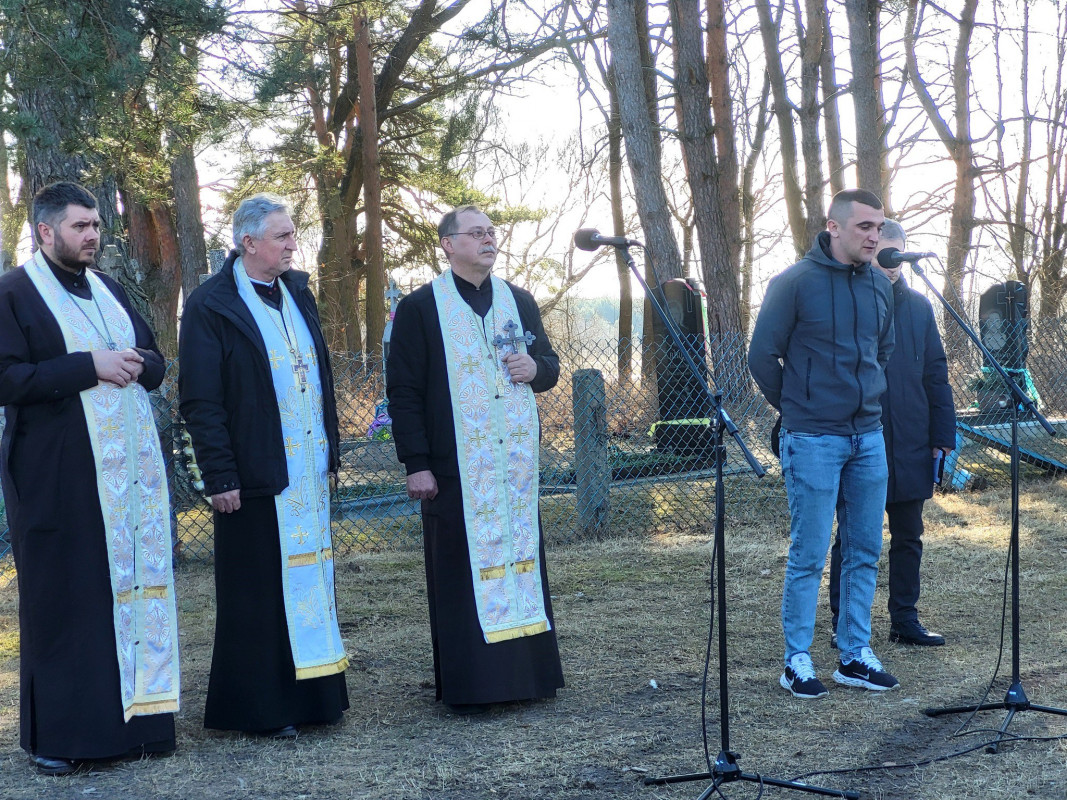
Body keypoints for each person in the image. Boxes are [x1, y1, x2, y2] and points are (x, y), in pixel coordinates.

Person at [0, 181, 179, 774]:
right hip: (57, 477)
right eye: (79, 226)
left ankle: (140, 722)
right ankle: (62, 738)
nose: (93, 236)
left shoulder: (108, 288)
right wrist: (88, 367)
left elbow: (152, 355)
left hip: (129, 478)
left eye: (96, 225)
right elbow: (7, 378)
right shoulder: (13, 292)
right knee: (68, 601)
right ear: (45, 231)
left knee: (127, 592)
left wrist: (139, 364)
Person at [179, 193, 348, 737]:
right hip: (253, 474)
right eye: (282, 236)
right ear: (248, 243)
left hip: (306, 467)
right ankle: (259, 710)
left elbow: (317, 373)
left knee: (309, 580)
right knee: (256, 591)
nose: (293, 245)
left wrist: (331, 450)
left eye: (293, 234)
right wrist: (220, 475)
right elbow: (201, 399)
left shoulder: (298, 291)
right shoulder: (211, 304)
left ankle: (316, 699)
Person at [386, 205, 564, 714]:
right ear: (448, 244)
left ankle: (528, 676)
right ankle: (474, 685)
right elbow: (403, 391)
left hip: (512, 467)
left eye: (492, 233)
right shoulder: (422, 308)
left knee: (520, 559)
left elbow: (547, 366)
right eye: (476, 233)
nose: (488, 240)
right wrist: (415, 461)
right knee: (461, 566)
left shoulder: (520, 301)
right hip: (452, 463)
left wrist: (537, 367)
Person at [749, 188, 898, 699]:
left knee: (864, 549)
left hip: (869, 437)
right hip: (812, 437)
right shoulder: (793, 283)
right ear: (833, 226)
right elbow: (762, 358)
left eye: (879, 226)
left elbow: (884, 351)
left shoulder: (881, 285)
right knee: (809, 552)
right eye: (864, 227)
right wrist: (798, 407)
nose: (874, 235)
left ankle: (854, 655)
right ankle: (797, 660)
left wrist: (866, 404)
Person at [828, 220, 956, 647]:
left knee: (909, 537)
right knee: (852, 539)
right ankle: (843, 622)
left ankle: (904, 620)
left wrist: (943, 435)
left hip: (913, 441)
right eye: (885, 250)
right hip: (862, 440)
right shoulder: (850, 300)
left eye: (899, 252)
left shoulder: (919, 307)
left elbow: (936, 374)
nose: (894, 261)